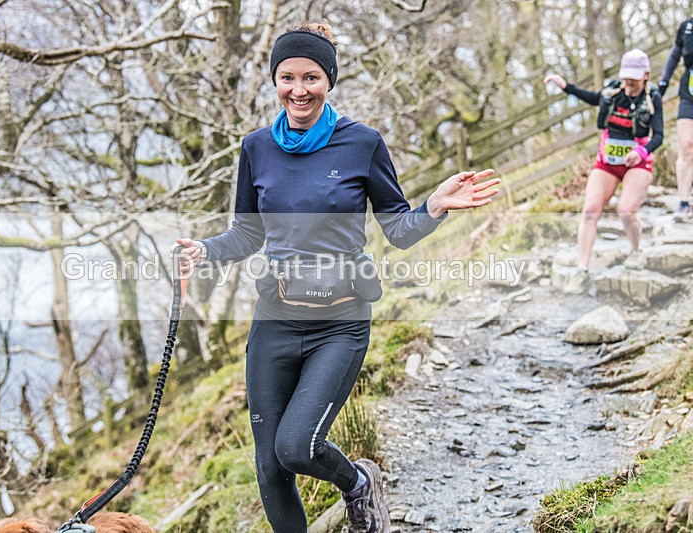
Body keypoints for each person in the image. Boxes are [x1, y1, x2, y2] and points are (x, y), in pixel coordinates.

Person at [171, 21, 499, 533]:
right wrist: (203, 250)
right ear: (274, 81)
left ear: (329, 80)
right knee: (269, 467)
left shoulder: (362, 144)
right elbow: (246, 235)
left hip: (340, 323)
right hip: (274, 320)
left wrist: (433, 205)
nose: (298, 90)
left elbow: (398, 229)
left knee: (296, 447)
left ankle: (358, 484)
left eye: (311, 77)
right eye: (287, 77)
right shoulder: (255, 148)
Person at [544, 49, 663, 286]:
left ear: (646, 75)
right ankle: (582, 270)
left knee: (626, 210)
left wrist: (640, 151)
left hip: (637, 162)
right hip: (607, 163)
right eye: (626, 77)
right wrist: (566, 86)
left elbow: (658, 135)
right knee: (590, 211)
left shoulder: (653, 98)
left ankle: (636, 251)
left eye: (634, 79)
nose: (629, 83)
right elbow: (592, 97)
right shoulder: (614, 91)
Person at [659, 17, 693, 222]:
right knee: (687, 146)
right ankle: (683, 202)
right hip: (689, 92)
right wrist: (663, 83)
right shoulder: (687, 26)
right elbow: (674, 56)